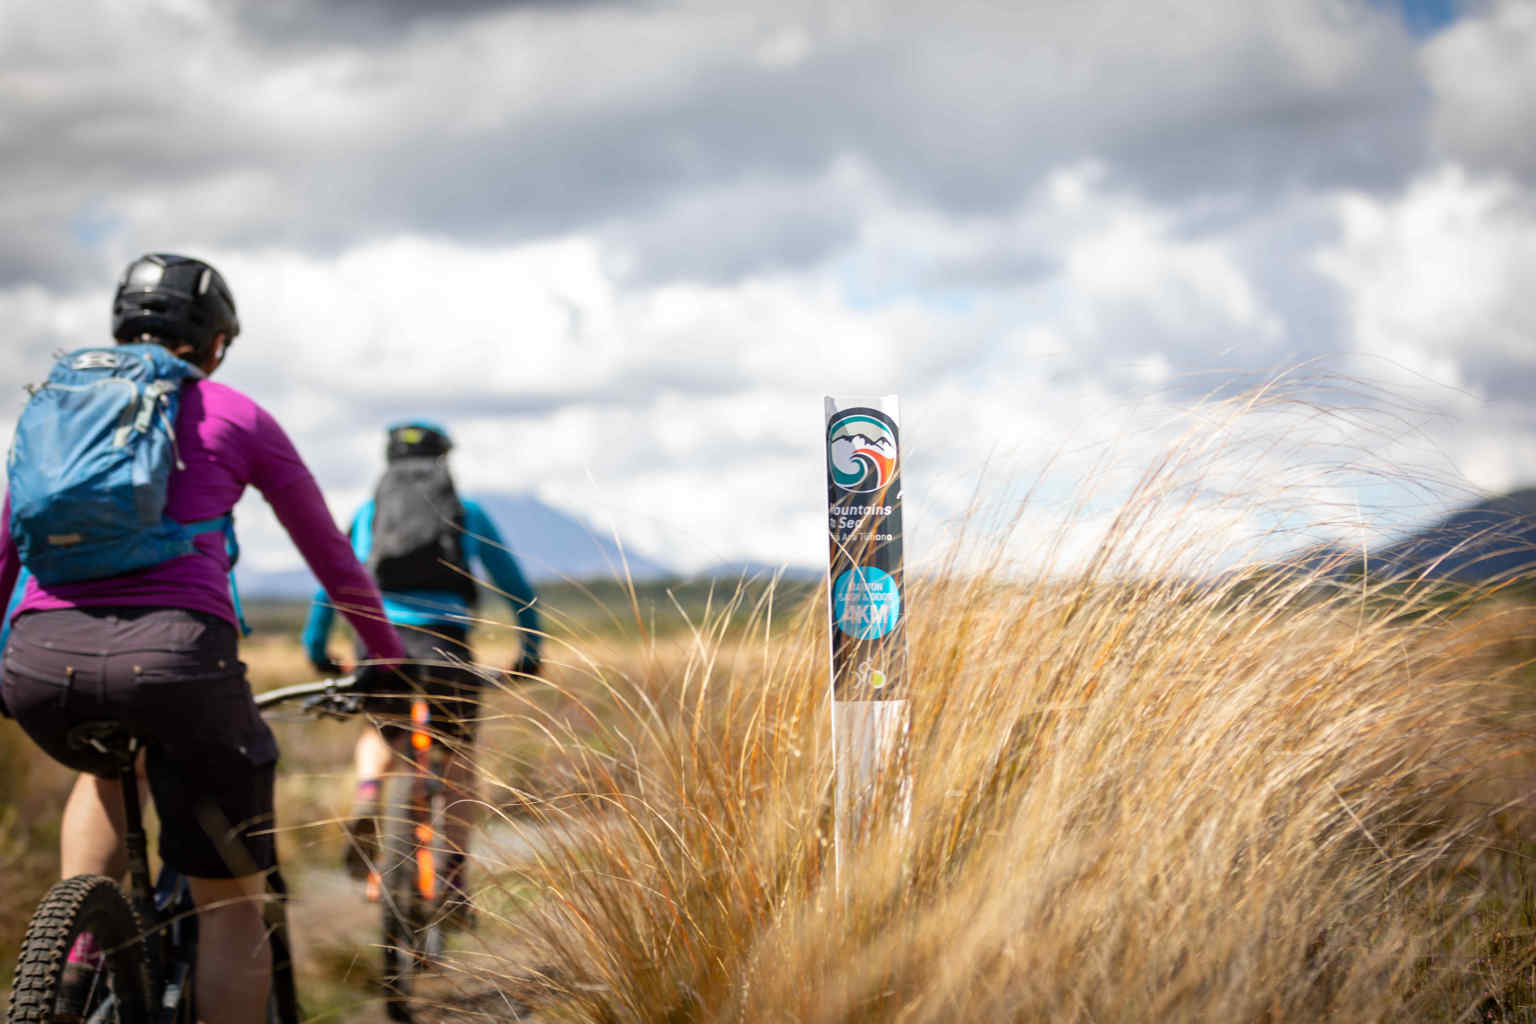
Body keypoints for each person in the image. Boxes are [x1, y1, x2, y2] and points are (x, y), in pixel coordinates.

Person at [0, 253, 407, 1024]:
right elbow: (332, 556)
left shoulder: (56, 417)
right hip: (179, 659)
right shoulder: (235, 414)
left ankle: (75, 968)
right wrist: (386, 662)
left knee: (107, 771)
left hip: (39, 660)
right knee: (229, 907)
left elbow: (4, 550)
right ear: (216, 343)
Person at [301, 420, 541, 916]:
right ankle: (452, 880)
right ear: (443, 462)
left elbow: (332, 583)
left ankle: (370, 793)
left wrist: (317, 647)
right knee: (457, 757)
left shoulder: (370, 514)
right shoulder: (468, 514)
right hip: (446, 646)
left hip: (378, 643)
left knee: (380, 731)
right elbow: (515, 586)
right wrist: (530, 648)